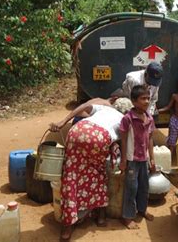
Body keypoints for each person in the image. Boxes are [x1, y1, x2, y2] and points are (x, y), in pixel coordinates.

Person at [49, 97, 132, 241]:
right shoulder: (125, 119)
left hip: (76, 131)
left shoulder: (104, 108)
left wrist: (63, 122)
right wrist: (123, 159)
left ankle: (67, 228)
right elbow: (124, 142)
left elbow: (83, 107)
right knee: (98, 174)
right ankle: (101, 217)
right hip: (97, 138)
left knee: (71, 177)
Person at [119, 85, 156, 229]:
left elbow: (151, 138)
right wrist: (123, 160)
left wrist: (152, 158)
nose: (146, 101)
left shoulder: (149, 118)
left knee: (144, 186)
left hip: (144, 159)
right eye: (143, 99)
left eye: (148, 98)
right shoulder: (128, 119)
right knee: (131, 188)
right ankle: (127, 217)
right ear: (134, 101)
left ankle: (142, 209)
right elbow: (123, 140)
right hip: (132, 160)